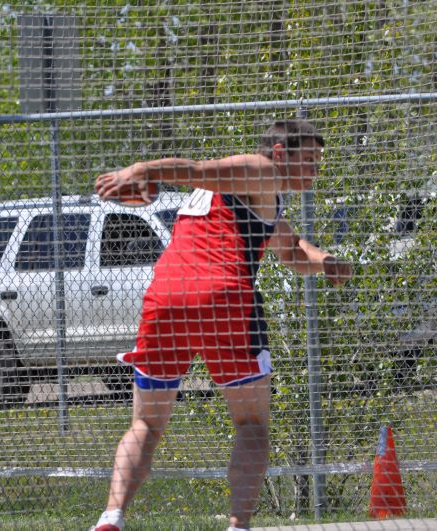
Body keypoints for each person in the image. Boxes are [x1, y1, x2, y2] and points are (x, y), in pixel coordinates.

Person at [91, 119, 351, 531]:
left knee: (145, 424)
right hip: (223, 301)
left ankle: (111, 516)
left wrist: (326, 262)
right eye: (309, 160)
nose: (316, 171)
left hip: (166, 300)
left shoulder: (254, 196)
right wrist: (142, 170)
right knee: (252, 426)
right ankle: (238, 525)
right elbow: (194, 170)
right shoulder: (260, 169)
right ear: (280, 152)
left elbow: (291, 246)